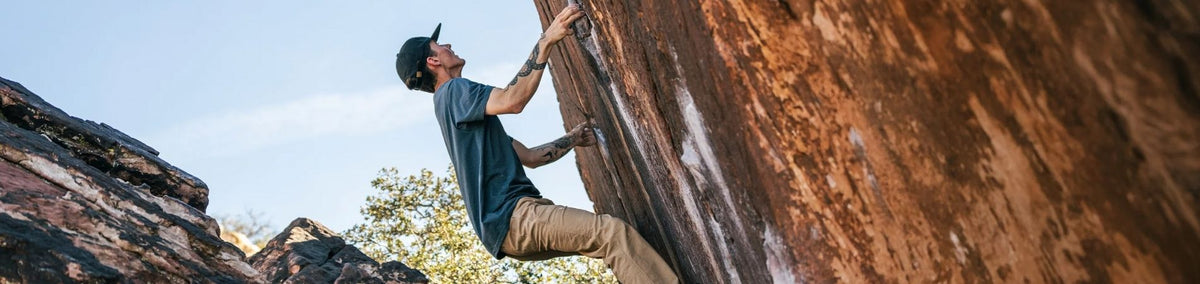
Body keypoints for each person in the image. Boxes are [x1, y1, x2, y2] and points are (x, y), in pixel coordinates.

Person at [392, 4, 678, 283]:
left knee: (606, 242)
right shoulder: (454, 91)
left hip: (508, 232)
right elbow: (512, 101)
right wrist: (547, 40)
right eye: (439, 45)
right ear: (433, 61)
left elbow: (530, 157)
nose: (448, 45)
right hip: (514, 217)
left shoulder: (458, 114)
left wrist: (573, 139)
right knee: (611, 234)